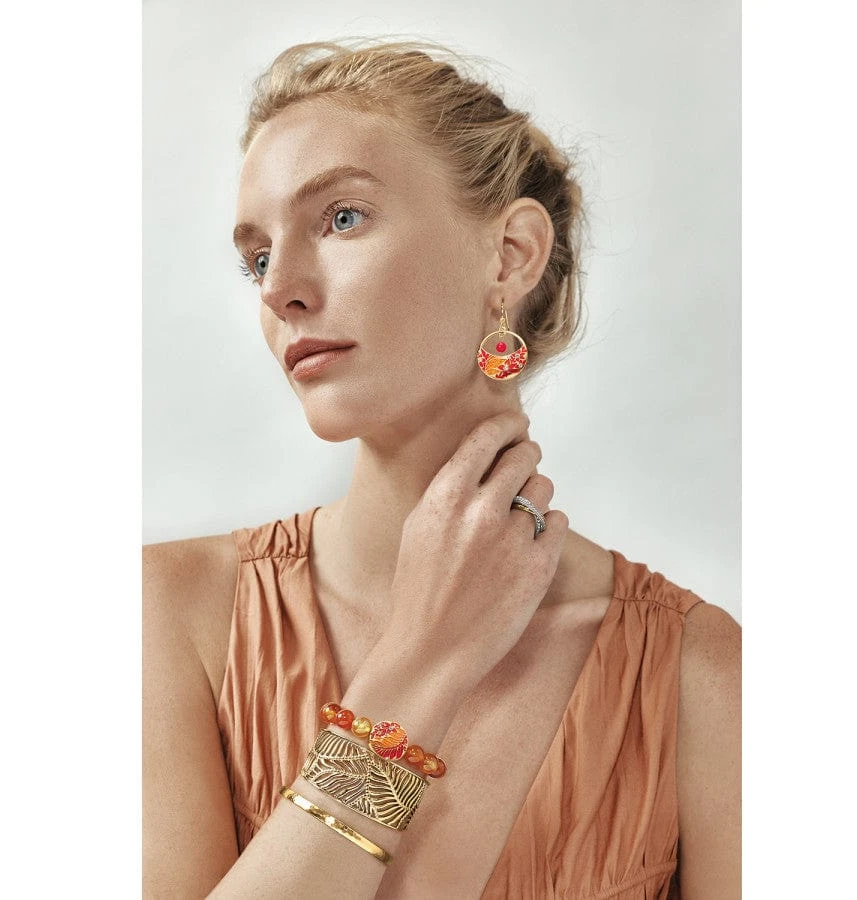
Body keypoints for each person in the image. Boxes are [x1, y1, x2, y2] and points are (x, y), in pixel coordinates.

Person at [142, 39, 741, 899]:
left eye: (342, 218)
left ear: (510, 255)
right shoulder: (174, 616)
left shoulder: (700, 672)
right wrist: (423, 661)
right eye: (258, 257)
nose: (278, 289)